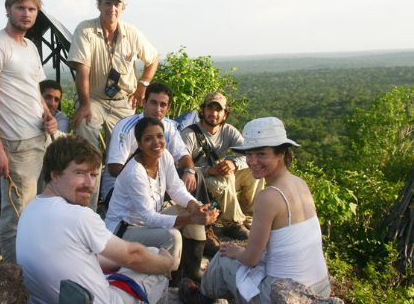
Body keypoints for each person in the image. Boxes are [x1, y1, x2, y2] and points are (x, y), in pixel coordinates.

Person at [17, 135, 176, 304]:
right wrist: (167, 264)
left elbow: (83, 258)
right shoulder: (78, 216)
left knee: (147, 256)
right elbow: (132, 255)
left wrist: (121, 262)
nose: (89, 183)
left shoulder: (30, 210)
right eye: (80, 173)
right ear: (55, 175)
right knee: (156, 259)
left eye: (93, 175)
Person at [198, 117, 331, 303]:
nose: (253, 161)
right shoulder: (300, 183)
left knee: (223, 257)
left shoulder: (269, 197)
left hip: (285, 295)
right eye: (249, 154)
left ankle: (201, 297)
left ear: (281, 153)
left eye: (261, 154)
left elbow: (251, 258)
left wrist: (236, 252)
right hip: (321, 287)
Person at [0, 0, 57, 265]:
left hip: (40, 138)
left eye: (32, 9)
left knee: (38, 210)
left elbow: (34, 90)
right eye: (20, 8)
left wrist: (48, 114)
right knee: (18, 216)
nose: (26, 14)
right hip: (15, 144)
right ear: (8, 10)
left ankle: (33, 267)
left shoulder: (30, 47)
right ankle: (14, 276)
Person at [104, 117, 218, 291]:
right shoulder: (135, 173)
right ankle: (168, 281)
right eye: (148, 139)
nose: (156, 142)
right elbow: (149, 218)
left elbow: (176, 189)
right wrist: (190, 218)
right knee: (172, 236)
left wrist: (197, 209)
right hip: (123, 230)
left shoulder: (164, 156)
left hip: (147, 220)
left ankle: (192, 273)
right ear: (139, 144)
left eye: (160, 136)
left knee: (194, 207)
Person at [67, 0, 158, 149]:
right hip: (93, 99)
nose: (112, 8)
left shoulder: (132, 33)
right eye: (108, 3)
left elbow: (153, 58)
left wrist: (142, 85)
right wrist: (84, 104)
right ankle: (91, 164)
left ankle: (114, 166)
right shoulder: (85, 30)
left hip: (123, 102)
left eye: (117, 4)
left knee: (124, 150)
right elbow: (82, 70)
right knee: (83, 125)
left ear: (123, 8)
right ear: (99, 5)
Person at [179, 92, 259, 241]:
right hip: (200, 183)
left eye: (218, 110)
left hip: (222, 178)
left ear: (225, 114)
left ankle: (248, 217)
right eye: (210, 108)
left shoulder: (228, 131)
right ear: (203, 110)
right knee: (226, 178)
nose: (214, 113)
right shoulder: (189, 134)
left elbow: (249, 154)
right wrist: (209, 170)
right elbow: (180, 168)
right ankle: (232, 223)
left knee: (253, 168)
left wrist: (233, 163)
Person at [101, 82, 194, 205]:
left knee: (193, 177)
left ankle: (203, 213)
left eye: (163, 105)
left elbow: (183, 155)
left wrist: (189, 171)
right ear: (144, 103)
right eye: (153, 103)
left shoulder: (169, 127)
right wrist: (147, 180)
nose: (158, 109)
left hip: (155, 182)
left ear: (168, 108)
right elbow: (114, 168)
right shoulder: (126, 127)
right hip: (119, 186)